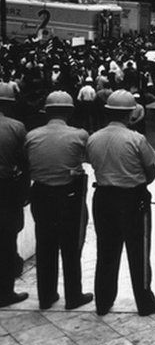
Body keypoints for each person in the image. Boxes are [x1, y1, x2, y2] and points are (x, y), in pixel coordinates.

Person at [87, 90, 155, 316]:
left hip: (103, 197)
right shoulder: (136, 139)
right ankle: (144, 301)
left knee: (106, 251)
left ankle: (103, 301)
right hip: (132, 199)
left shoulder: (94, 138)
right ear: (131, 113)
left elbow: (93, 164)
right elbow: (151, 173)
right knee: (138, 252)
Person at [24, 91, 93, 310]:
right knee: (71, 247)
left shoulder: (31, 136)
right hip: (69, 196)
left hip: (41, 194)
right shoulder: (80, 135)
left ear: (47, 111)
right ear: (70, 111)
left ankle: (46, 295)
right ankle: (73, 295)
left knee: (45, 245)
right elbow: (90, 158)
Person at [0, 83, 29, 307]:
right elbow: (24, 162)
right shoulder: (16, 127)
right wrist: (25, 191)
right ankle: (6, 292)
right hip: (7, 189)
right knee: (8, 239)